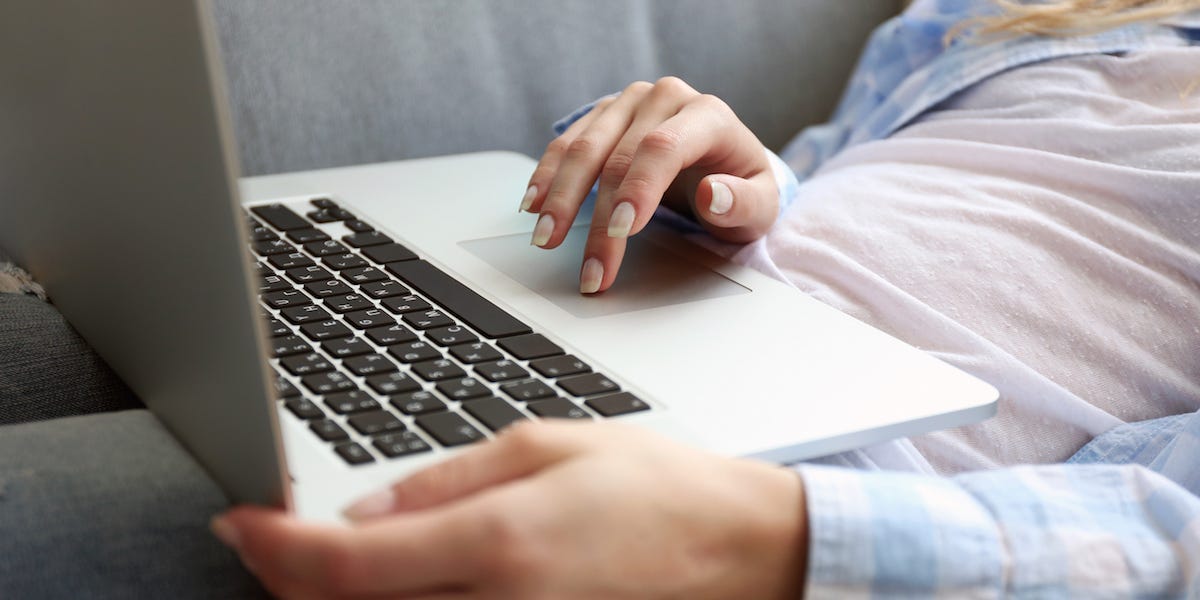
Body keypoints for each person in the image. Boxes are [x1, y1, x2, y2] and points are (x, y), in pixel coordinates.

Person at [181, 0, 1200, 596]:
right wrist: (716, 188)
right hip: (618, 331)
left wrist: (773, 537)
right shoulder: (1039, 13)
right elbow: (844, 201)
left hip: (800, 493)